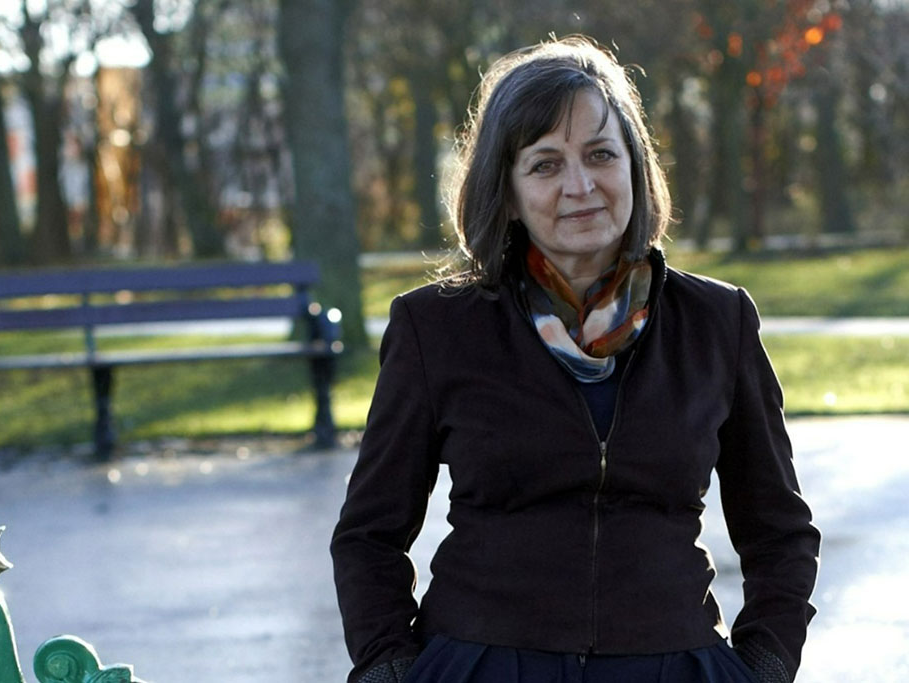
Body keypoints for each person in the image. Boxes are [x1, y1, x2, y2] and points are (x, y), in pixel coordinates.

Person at [331, 35, 820, 683]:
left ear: (635, 168)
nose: (580, 185)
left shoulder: (717, 322)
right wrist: (389, 665)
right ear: (505, 191)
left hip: (672, 662)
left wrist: (763, 663)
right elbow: (369, 533)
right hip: (482, 663)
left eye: (600, 154)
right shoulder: (436, 327)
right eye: (545, 164)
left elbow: (779, 530)